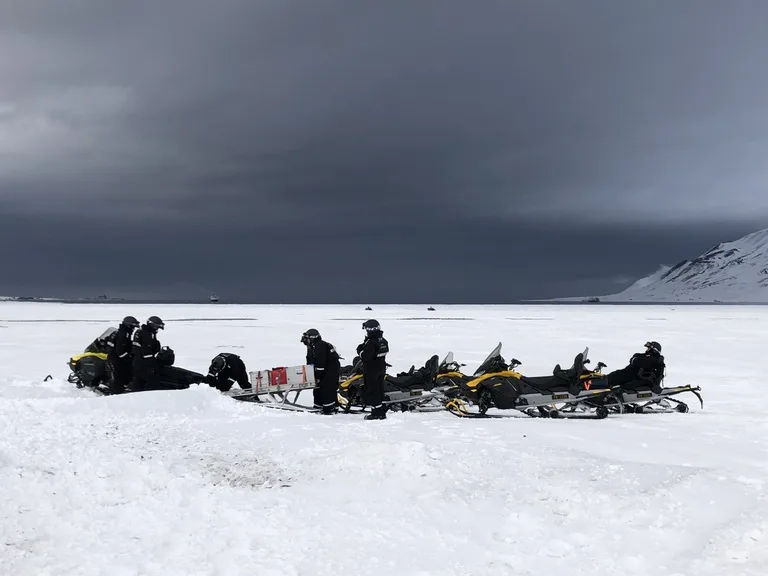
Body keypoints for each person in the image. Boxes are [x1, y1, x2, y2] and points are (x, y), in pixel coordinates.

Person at [301, 328, 341, 414]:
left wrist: (317, 375)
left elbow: (320, 362)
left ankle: (329, 408)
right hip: (325, 369)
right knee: (318, 388)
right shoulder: (312, 346)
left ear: (312, 338)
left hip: (330, 369)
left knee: (327, 388)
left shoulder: (320, 346)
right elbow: (311, 361)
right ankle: (318, 405)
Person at [356, 319, 389, 420]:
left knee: (372, 390)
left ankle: (376, 412)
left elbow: (366, 357)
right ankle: (382, 409)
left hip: (371, 369)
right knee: (380, 389)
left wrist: (360, 351)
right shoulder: (382, 340)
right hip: (381, 367)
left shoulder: (371, 342)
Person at [129, 315, 165, 391]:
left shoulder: (141, 331)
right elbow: (146, 351)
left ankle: (136, 393)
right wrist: (154, 364)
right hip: (144, 363)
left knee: (139, 380)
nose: (157, 329)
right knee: (152, 380)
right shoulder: (147, 334)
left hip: (137, 361)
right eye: (157, 327)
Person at [106, 315, 140, 394]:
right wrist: (128, 359)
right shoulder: (123, 334)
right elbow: (120, 350)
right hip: (117, 359)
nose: (133, 329)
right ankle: (117, 392)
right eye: (132, 326)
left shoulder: (125, 333)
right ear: (128, 325)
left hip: (117, 357)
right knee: (119, 375)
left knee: (124, 374)